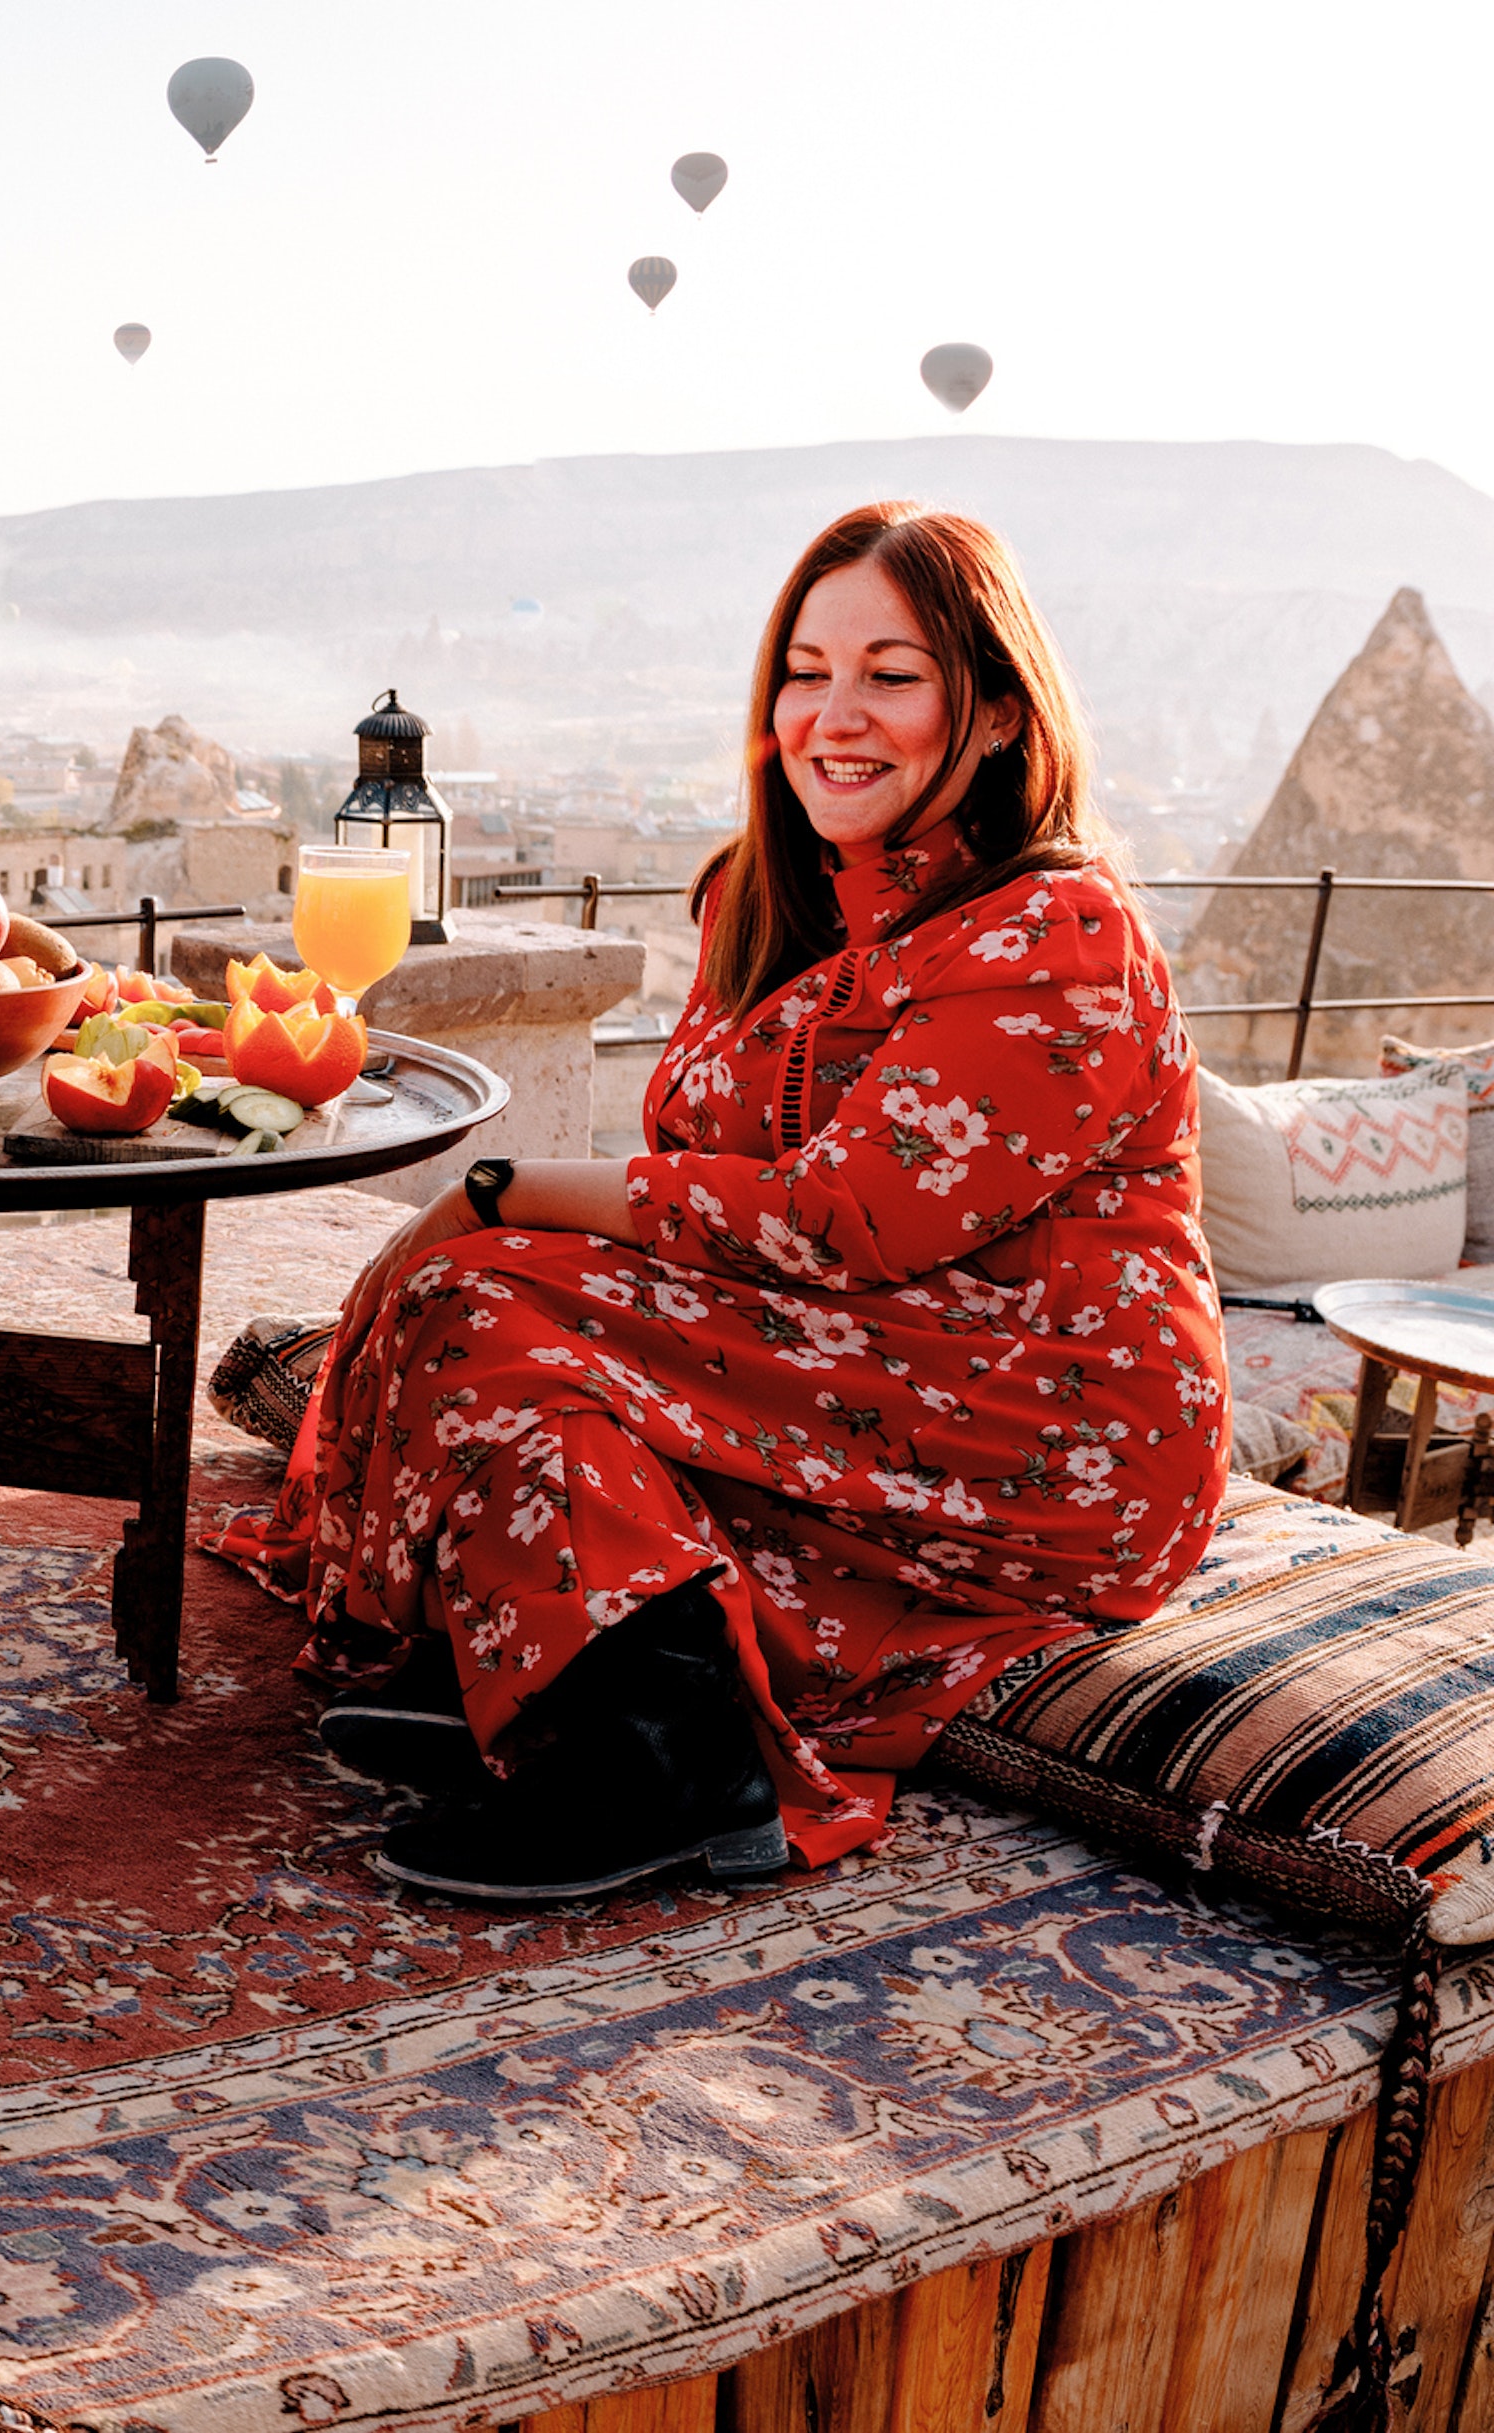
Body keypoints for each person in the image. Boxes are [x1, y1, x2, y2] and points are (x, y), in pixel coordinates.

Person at [230, 502, 1229, 1901]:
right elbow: (707, 1174)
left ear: (998, 713)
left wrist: (492, 1192)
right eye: (805, 672)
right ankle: (592, 1681)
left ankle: (671, 1758)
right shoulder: (767, 901)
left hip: (1050, 1417)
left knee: (491, 1291)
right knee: (521, 1300)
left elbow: (844, 1219)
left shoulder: (1057, 935)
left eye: (892, 675)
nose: (835, 713)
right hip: (855, 1352)